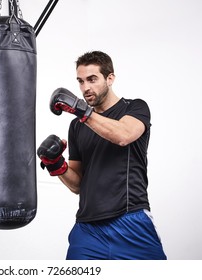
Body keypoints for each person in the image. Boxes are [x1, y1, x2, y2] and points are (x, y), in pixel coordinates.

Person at [37, 51, 167, 260]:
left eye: (92, 79)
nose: (85, 88)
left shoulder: (134, 107)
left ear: (110, 78)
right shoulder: (77, 126)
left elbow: (123, 135)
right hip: (87, 230)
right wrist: (55, 164)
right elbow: (77, 185)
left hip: (130, 220)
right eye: (80, 81)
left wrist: (81, 111)